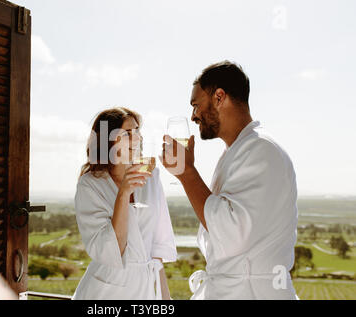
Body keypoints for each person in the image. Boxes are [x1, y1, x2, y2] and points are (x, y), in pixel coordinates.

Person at [161, 61, 298, 299]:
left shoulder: (261, 150)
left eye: (196, 105)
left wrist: (187, 173)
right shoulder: (238, 151)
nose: (193, 116)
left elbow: (230, 233)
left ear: (219, 97)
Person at [73, 107, 177, 300]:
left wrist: (165, 299)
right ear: (108, 139)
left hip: (146, 290)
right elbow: (112, 250)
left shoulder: (151, 176)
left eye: (137, 131)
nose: (137, 138)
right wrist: (123, 194)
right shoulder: (90, 185)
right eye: (128, 133)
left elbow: (158, 247)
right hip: (105, 291)